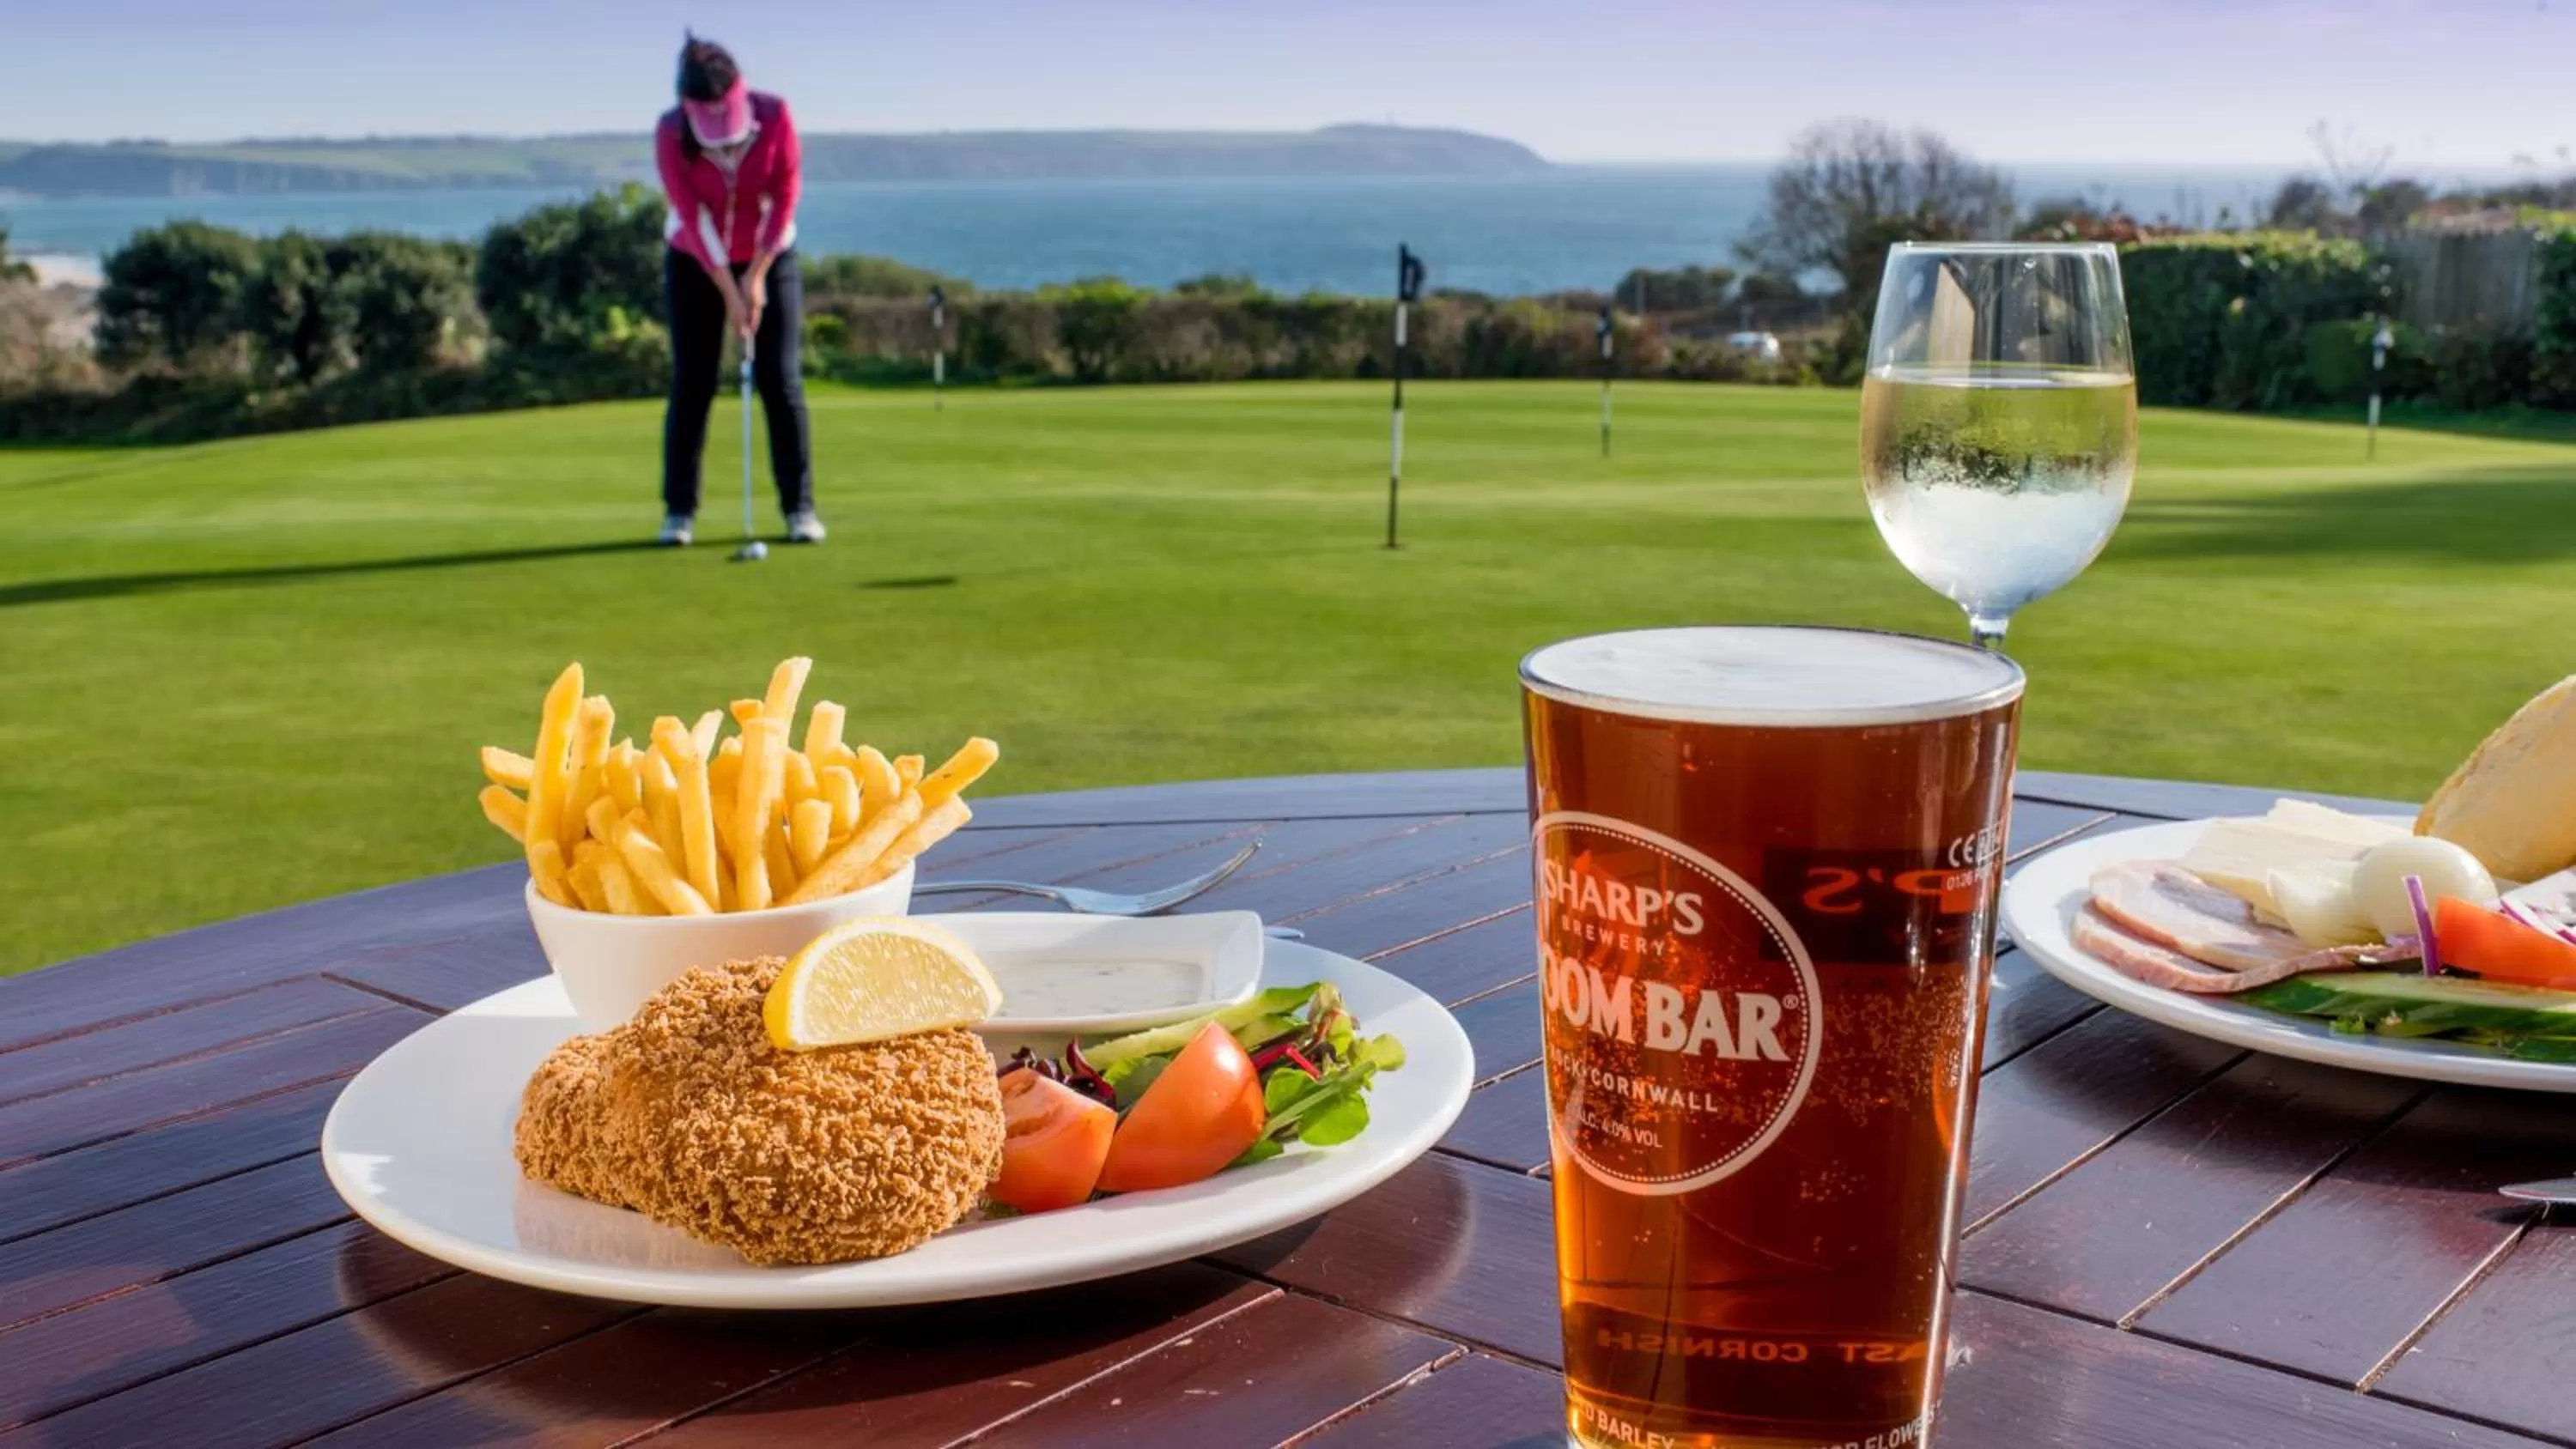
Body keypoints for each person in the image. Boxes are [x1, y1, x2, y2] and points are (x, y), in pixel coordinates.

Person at [654, 35, 823, 547]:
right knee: (694, 383)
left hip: (770, 252)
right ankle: (679, 512)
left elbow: (784, 196)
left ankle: (799, 509)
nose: (722, 141)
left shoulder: (774, 116)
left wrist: (756, 278)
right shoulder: (670, 130)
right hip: (694, 260)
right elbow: (693, 215)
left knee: (780, 378)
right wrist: (730, 289)